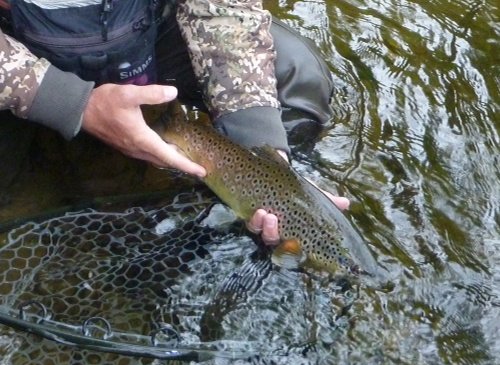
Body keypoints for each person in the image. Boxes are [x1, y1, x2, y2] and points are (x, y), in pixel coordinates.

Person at [0, 0, 349, 244]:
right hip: (19, 56)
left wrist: (264, 154)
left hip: (144, 37)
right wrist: (67, 102)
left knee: (295, 76)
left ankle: (228, 197)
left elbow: (225, 10)